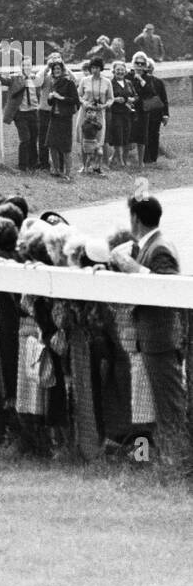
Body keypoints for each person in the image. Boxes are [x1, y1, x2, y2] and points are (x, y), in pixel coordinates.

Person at [109, 192, 188, 467]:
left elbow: (167, 287)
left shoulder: (159, 248)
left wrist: (131, 267)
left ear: (135, 218)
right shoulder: (148, 245)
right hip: (150, 339)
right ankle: (158, 458)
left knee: (170, 406)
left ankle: (178, 462)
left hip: (161, 339)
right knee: (151, 408)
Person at [1, 57, 41, 172]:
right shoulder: (15, 78)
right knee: (25, 139)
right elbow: (4, 80)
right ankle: (23, 166)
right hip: (21, 113)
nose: (26, 67)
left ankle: (33, 163)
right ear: (21, 67)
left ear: (31, 66)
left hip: (33, 112)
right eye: (24, 65)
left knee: (34, 138)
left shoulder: (35, 78)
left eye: (28, 65)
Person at [44, 58, 79, 177]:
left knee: (65, 147)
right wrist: (50, 98)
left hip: (65, 118)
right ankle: (57, 170)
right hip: (54, 117)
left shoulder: (69, 82)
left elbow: (75, 100)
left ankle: (68, 173)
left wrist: (61, 97)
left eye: (58, 68)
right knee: (52, 144)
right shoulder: (54, 83)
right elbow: (51, 103)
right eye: (54, 69)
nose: (56, 71)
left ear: (62, 70)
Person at [136, 52, 168, 163]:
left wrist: (165, 114)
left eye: (150, 68)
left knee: (154, 135)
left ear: (152, 69)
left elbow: (164, 99)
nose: (148, 69)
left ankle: (153, 158)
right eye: (147, 67)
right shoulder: (139, 80)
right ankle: (145, 158)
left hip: (156, 113)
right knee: (144, 135)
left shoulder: (159, 82)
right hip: (144, 112)